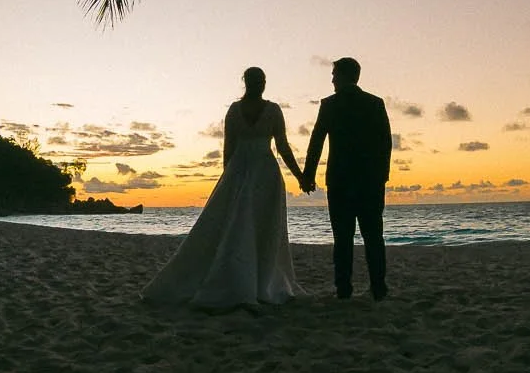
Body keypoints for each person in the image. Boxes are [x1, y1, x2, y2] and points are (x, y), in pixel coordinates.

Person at [142, 67, 305, 310]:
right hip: (257, 169)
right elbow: (277, 145)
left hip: (250, 170)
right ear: (256, 83)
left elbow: (238, 148)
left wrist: (298, 176)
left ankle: (258, 281)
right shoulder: (265, 110)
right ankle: (257, 284)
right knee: (250, 224)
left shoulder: (244, 110)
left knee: (257, 224)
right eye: (258, 81)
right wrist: (300, 176)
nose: (259, 84)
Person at [300, 57, 393, 300]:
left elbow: (316, 141)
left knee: (342, 237)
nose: (331, 79)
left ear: (341, 76)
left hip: (341, 179)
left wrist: (308, 175)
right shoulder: (375, 103)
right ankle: (378, 287)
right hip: (370, 181)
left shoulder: (330, 105)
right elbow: (386, 143)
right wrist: (382, 175)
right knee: (374, 235)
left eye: (333, 74)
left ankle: (344, 288)